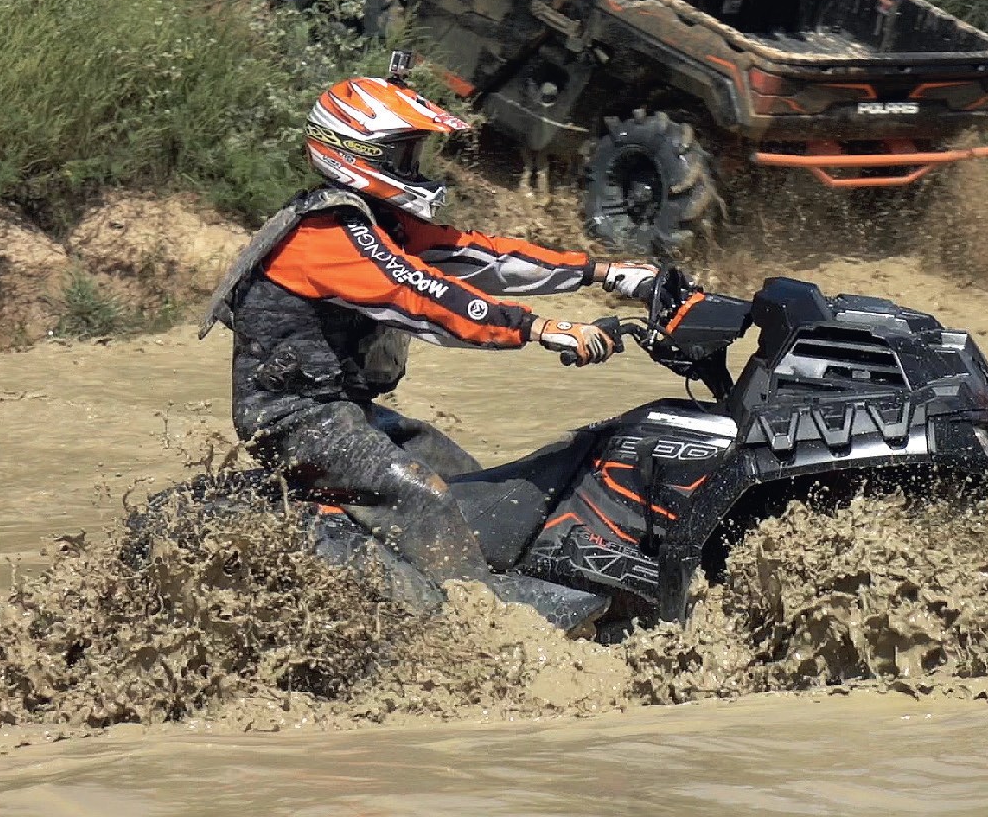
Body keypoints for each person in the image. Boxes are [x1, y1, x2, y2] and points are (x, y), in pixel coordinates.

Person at [199, 71, 659, 584]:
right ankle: (475, 615)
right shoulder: (322, 234)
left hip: (346, 411)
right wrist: (536, 327)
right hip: (295, 422)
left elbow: (481, 255)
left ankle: (515, 577)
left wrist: (601, 271)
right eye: (402, 155)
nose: (413, 168)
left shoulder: (377, 221)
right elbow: (421, 295)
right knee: (428, 498)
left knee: (470, 481)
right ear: (359, 153)